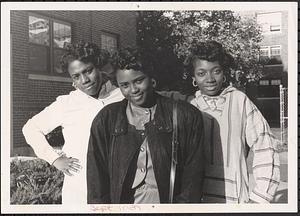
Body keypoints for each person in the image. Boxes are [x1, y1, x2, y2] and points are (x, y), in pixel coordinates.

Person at [86, 48, 205, 204]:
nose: (133, 90)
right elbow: (96, 180)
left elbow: (193, 178)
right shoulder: (106, 119)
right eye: (125, 85)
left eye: (138, 80)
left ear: (152, 78)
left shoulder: (186, 115)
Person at [22, 42, 124, 205]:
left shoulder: (122, 96)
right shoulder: (67, 104)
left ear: (98, 67)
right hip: (80, 187)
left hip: (119, 184)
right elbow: (30, 128)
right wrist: (54, 159)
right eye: (76, 76)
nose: (84, 80)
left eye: (88, 71)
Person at [185, 40, 280, 203]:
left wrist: (260, 196)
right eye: (201, 73)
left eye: (216, 71)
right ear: (193, 78)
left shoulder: (239, 101)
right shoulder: (189, 107)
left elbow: (265, 145)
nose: (210, 79)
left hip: (234, 197)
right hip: (196, 198)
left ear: (225, 73)